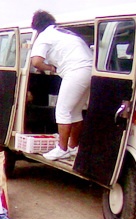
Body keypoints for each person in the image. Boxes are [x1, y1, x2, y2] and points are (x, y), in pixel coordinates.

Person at [30, 10, 93, 160]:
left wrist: (51, 68)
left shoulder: (44, 36)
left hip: (75, 70)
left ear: (37, 27)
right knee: (76, 111)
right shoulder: (66, 33)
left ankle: (62, 148)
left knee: (62, 110)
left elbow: (36, 62)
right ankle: (73, 147)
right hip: (90, 70)